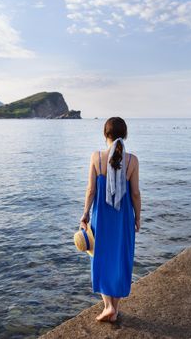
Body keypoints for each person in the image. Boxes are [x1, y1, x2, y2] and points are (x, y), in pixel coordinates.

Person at [79, 117, 141, 322]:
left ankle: (108, 306)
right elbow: (135, 194)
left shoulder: (96, 157)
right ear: (125, 135)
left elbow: (90, 190)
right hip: (123, 218)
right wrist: (138, 217)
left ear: (105, 134)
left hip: (102, 217)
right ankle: (114, 308)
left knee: (101, 256)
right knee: (119, 258)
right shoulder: (132, 160)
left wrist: (85, 213)